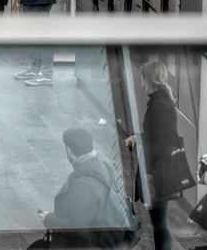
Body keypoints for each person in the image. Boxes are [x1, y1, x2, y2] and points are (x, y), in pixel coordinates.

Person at [40, 127, 133, 248]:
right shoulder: (104, 166)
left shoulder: (83, 185)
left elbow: (77, 228)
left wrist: (48, 219)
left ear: (69, 150)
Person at [128, 61, 183, 250]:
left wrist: (150, 174)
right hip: (162, 172)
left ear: (148, 79)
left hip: (159, 175)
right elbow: (160, 135)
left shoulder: (158, 106)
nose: (140, 81)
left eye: (142, 77)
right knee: (159, 224)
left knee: (159, 225)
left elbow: (164, 144)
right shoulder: (162, 101)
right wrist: (139, 137)